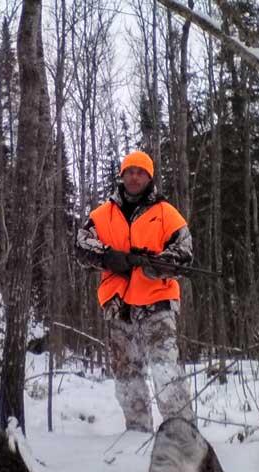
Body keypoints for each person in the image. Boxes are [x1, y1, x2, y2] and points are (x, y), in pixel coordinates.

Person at [75, 150, 195, 432]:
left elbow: (185, 254)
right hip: (119, 307)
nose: (135, 176)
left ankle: (183, 435)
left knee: (166, 371)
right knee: (127, 375)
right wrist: (110, 258)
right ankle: (136, 432)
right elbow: (80, 246)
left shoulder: (166, 213)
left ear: (149, 177)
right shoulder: (102, 215)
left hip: (157, 303)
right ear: (122, 175)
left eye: (141, 172)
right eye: (130, 171)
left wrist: (157, 265)